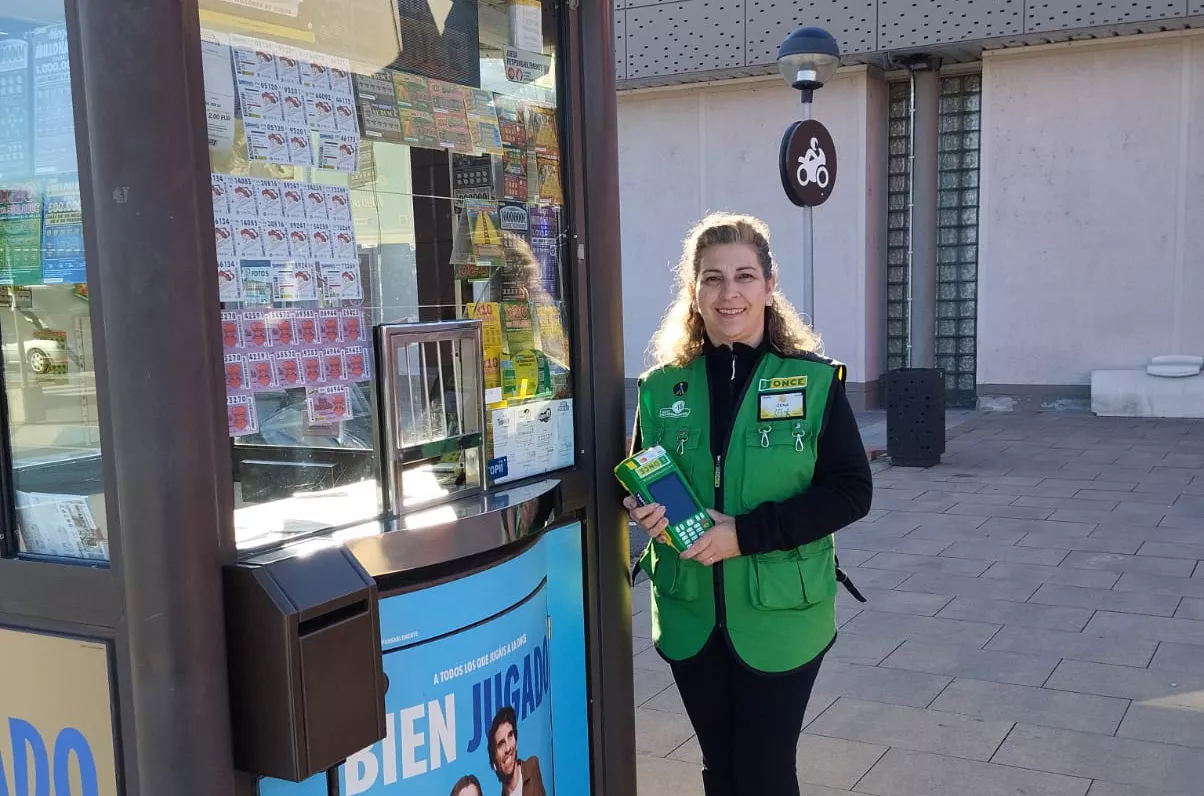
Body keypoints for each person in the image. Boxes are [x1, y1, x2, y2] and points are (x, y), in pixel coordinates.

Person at [627, 212, 873, 796]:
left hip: (780, 614)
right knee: (721, 768)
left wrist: (745, 534)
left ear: (768, 285)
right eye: (712, 278)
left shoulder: (813, 383)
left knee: (763, 771)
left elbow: (851, 491)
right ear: (694, 291)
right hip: (691, 614)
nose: (728, 292)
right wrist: (642, 509)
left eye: (743, 275)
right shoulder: (662, 386)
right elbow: (637, 475)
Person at [486, 706, 546, 796]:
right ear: (494, 765)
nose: (508, 748)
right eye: (501, 744)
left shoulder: (533, 767)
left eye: (510, 736)